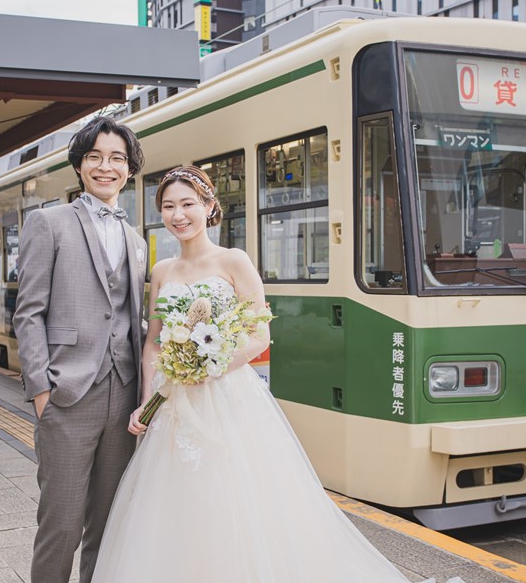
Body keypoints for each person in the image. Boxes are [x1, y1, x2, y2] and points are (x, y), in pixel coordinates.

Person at [91, 166, 432, 582]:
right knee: (175, 504)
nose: (178, 214)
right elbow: (152, 344)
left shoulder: (234, 260)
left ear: (209, 207)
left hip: (227, 399)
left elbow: (260, 334)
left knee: (236, 501)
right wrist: (147, 402)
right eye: (168, 206)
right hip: (174, 405)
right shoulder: (162, 271)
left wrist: (210, 366)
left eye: (187, 204)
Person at [13, 116, 147, 583]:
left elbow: (129, 318)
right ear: (80, 164)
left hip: (123, 396)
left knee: (108, 527)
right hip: (66, 395)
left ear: (129, 170)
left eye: (116, 158)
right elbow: (28, 313)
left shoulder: (136, 240)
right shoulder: (47, 223)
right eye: (95, 156)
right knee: (61, 525)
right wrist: (40, 393)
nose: (105, 167)